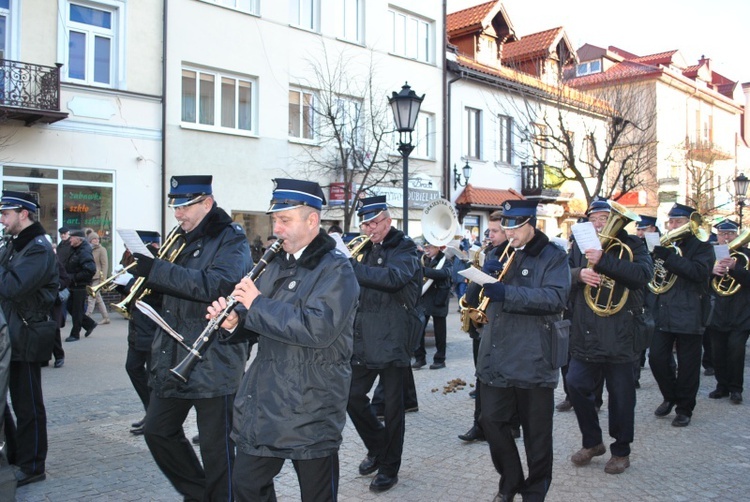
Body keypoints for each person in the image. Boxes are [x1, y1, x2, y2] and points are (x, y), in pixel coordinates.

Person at [206, 178, 359, 500]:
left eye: (285, 220)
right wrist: (235, 323)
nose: (277, 228)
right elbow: (266, 323)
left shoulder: (337, 270)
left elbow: (318, 328)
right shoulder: (275, 264)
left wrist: (256, 303)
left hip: (312, 401)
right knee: (247, 485)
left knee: (317, 495)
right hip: (267, 399)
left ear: (312, 220)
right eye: (275, 220)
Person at [132, 175, 252, 501]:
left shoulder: (231, 239)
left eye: (184, 206)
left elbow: (217, 286)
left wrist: (156, 271)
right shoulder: (181, 237)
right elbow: (177, 292)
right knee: (157, 431)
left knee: (217, 451)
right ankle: (199, 494)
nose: (177, 214)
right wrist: (141, 287)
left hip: (214, 359)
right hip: (173, 355)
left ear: (207, 204)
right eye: (175, 206)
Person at [476, 199, 570, 502]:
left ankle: (535, 489)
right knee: (490, 420)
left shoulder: (553, 257)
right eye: (506, 225)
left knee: (537, 434)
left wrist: (507, 291)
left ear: (531, 224)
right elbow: (474, 299)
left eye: (515, 226)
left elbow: (554, 299)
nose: (509, 232)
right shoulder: (497, 252)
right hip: (496, 355)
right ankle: (511, 478)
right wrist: (478, 277)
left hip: (534, 354)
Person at [566, 199, 652, 474]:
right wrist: (578, 274)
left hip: (621, 333)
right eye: (595, 218)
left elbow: (642, 275)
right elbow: (559, 275)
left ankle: (621, 450)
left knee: (621, 397)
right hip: (586, 331)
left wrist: (604, 261)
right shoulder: (579, 245)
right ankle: (593, 442)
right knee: (575, 385)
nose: (600, 223)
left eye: (605, 218)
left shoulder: (633, 245)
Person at [346, 195, 421, 493]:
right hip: (364, 338)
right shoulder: (365, 247)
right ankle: (378, 446)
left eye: (374, 223)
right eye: (365, 224)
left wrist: (352, 267)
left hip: (394, 338)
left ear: (388, 221)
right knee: (351, 396)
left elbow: (393, 278)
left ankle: (390, 467)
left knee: (392, 410)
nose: (369, 229)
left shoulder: (405, 248)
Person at [0, 191, 59, 486]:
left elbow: (13, 286)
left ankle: (33, 464)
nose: (2, 219)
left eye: (6, 213)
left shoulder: (37, 248)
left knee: (28, 403)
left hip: (27, 331)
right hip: (11, 330)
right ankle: (14, 453)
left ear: (23, 214)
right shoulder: (15, 244)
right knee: (7, 398)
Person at [649, 203, 714, 427]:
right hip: (664, 310)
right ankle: (670, 396)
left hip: (690, 312)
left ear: (690, 223)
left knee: (688, 365)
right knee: (656, 358)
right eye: (671, 222)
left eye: (677, 222)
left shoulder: (703, 246)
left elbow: (699, 273)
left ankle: (684, 408)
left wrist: (669, 258)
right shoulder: (668, 244)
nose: (673, 226)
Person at [458, 210, 510, 443]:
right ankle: (479, 424)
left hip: (501, 324)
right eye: (489, 230)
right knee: (481, 374)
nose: (491, 235)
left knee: (501, 377)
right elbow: (473, 292)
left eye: (496, 231)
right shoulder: (488, 251)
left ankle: (508, 424)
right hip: (481, 320)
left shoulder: (512, 255)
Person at [120, 231, 162, 436]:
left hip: (151, 329)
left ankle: (153, 417)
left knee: (153, 377)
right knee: (133, 368)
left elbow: (158, 297)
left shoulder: (157, 264)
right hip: (137, 329)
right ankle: (149, 411)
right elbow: (130, 292)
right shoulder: (137, 264)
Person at [706, 219, 750, 404]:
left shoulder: (746, 255)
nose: (726, 238)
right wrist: (711, 271)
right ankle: (722, 385)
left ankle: (735, 389)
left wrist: (735, 268)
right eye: (722, 234)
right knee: (718, 352)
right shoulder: (710, 254)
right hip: (717, 312)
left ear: (737, 234)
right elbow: (699, 277)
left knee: (736, 351)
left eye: (730, 234)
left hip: (741, 313)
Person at [413, 240, 452, 370]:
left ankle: (440, 359)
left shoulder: (445, 260)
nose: (427, 250)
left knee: (440, 333)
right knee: (419, 330)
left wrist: (423, 270)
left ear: (437, 248)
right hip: (425, 299)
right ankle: (420, 358)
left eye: (429, 247)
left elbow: (444, 274)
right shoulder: (424, 259)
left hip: (438, 299)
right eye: (425, 247)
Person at [63, 229, 97, 342]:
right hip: (73, 284)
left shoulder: (84, 251)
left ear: (78, 239)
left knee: (77, 310)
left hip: (80, 286)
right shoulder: (75, 249)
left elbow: (90, 269)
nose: (70, 239)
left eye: (72, 237)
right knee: (70, 307)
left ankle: (75, 334)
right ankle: (89, 324)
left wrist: (74, 277)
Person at [85, 233, 111, 324]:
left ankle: (86, 316)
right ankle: (106, 317)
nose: (96, 240)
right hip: (90, 276)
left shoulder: (102, 250)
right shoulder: (88, 249)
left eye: (97, 238)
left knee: (91, 297)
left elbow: (105, 264)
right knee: (98, 298)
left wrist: (103, 278)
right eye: (94, 239)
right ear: (90, 240)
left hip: (98, 277)